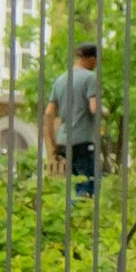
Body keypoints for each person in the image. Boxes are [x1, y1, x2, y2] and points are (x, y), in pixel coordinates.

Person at [50, 43, 108, 197]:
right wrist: (104, 111)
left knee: (77, 182)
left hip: (64, 141)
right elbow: (94, 108)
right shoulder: (90, 78)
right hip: (82, 141)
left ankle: (73, 215)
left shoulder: (61, 79)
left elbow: (49, 112)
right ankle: (80, 216)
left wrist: (52, 143)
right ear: (92, 59)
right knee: (89, 185)